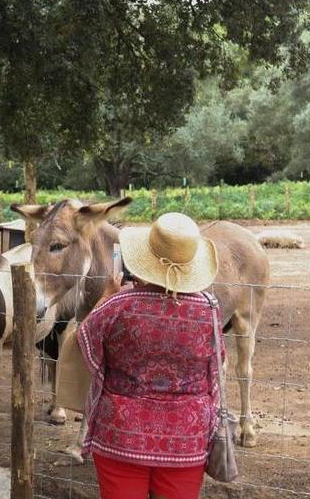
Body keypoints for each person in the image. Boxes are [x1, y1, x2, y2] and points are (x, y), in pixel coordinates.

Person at [78, 212, 225, 499]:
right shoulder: (208, 309)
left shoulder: (119, 304)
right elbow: (216, 365)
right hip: (186, 437)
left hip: (120, 433)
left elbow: (84, 340)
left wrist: (106, 294)